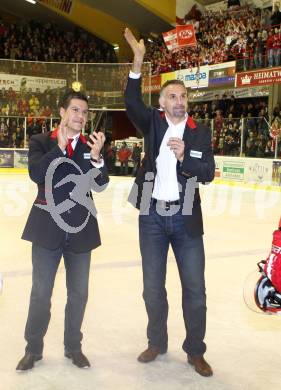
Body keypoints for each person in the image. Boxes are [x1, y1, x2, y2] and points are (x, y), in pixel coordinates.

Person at [124, 28, 215, 377]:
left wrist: (184, 161)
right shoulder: (151, 123)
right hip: (151, 216)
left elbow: (206, 172)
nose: (178, 101)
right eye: (171, 96)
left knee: (195, 290)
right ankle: (157, 342)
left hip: (186, 216)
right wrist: (137, 61)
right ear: (161, 103)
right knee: (152, 288)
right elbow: (131, 101)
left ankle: (195, 351)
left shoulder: (199, 131)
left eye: (182, 96)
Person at [16, 89, 109, 371]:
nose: (81, 117)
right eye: (76, 110)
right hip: (46, 229)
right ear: (62, 112)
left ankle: (73, 347)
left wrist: (96, 159)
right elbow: (36, 175)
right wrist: (58, 147)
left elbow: (101, 185)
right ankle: (33, 349)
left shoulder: (90, 146)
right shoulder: (41, 141)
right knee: (41, 294)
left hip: (81, 230)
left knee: (79, 294)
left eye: (84, 112)